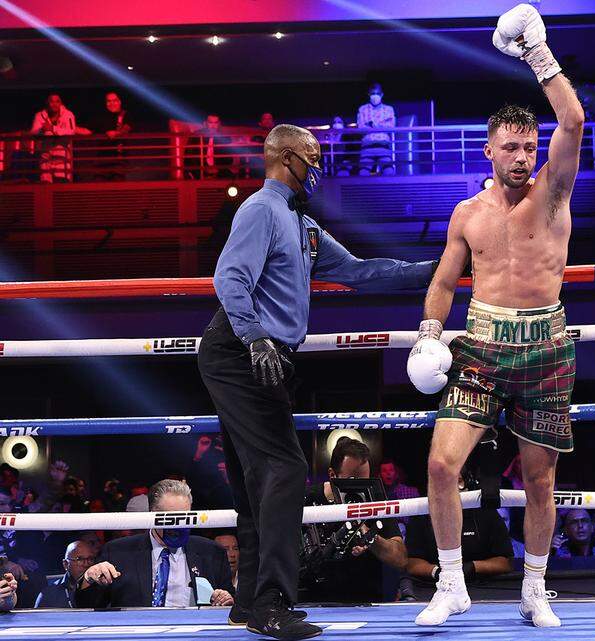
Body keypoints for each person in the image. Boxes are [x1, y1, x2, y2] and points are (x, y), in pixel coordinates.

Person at [197, 123, 434, 640]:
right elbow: (230, 276)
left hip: (260, 353)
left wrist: (436, 270)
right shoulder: (261, 209)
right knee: (283, 470)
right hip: (243, 351)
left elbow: (361, 270)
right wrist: (256, 337)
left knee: (257, 479)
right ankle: (273, 603)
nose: (320, 165)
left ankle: (249, 602)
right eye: (313, 155)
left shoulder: (300, 223)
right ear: (285, 158)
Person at [405, 4, 584, 627]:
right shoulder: (467, 214)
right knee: (439, 463)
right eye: (511, 147)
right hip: (480, 345)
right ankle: (451, 584)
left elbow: (574, 119)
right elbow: (444, 281)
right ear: (488, 150)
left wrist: (538, 53)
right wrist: (429, 334)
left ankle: (534, 589)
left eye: (529, 147)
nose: (522, 156)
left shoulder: (552, 193)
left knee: (539, 479)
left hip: (544, 345)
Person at [75, 480, 234, 609]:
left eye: (185, 517)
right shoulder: (118, 552)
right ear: (152, 515)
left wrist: (226, 600)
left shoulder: (211, 552)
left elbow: (231, 604)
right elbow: (86, 606)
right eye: (171, 519)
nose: (178, 526)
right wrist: (88, 579)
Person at [301, 437, 406, 603]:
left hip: (366, 599)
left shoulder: (375, 498)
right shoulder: (307, 498)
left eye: (364, 480)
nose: (358, 487)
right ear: (332, 475)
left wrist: (371, 537)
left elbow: (400, 558)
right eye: (352, 480)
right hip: (313, 599)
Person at [404, 468, 514, 584]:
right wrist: (437, 572)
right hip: (433, 587)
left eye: (458, 481)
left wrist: (472, 567)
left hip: (481, 585)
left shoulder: (485, 512)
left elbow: (506, 562)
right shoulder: (421, 515)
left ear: (466, 483)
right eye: (444, 481)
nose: (451, 487)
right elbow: (412, 562)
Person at [30, 94, 89, 183]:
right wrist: (43, 130)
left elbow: (71, 131)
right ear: (47, 103)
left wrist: (52, 128)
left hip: (62, 156)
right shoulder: (39, 115)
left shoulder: (68, 115)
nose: (54, 104)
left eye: (57, 101)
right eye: (51, 101)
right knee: (46, 186)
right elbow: (34, 132)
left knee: (62, 183)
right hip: (45, 156)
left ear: (61, 103)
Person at [34, 539, 96, 608]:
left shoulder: (103, 590)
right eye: (80, 559)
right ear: (66, 564)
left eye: (90, 559)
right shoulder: (48, 595)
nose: (86, 564)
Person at [89, 92, 132, 180]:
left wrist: (116, 133)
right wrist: (73, 129)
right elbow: (89, 131)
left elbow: (126, 128)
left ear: (119, 102)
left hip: (119, 159)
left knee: (116, 186)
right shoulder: (101, 116)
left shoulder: (125, 114)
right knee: (98, 186)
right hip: (101, 159)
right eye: (109, 101)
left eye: (114, 100)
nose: (111, 103)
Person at [355, 83, 395, 175]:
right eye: (373, 94)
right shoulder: (363, 109)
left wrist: (372, 124)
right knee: (363, 174)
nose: (375, 96)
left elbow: (391, 127)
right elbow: (361, 127)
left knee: (389, 172)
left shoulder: (389, 109)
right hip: (367, 147)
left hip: (383, 147)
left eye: (377, 94)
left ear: (382, 95)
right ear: (369, 95)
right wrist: (382, 124)